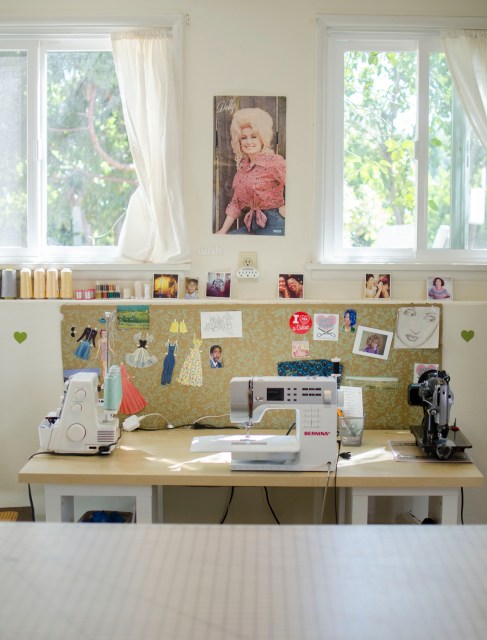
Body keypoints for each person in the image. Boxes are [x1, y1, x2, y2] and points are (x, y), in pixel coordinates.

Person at [216, 107, 286, 235]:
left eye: (253, 137)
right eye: (244, 137)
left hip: (274, 223)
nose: (248, 142)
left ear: (262, 139)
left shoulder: (274, 161)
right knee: (229, 240)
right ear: (239, 141)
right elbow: (236, 204)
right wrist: (222, 231)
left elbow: (299, 185)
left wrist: (286, 209)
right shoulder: (243, 168)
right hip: (252, 225)